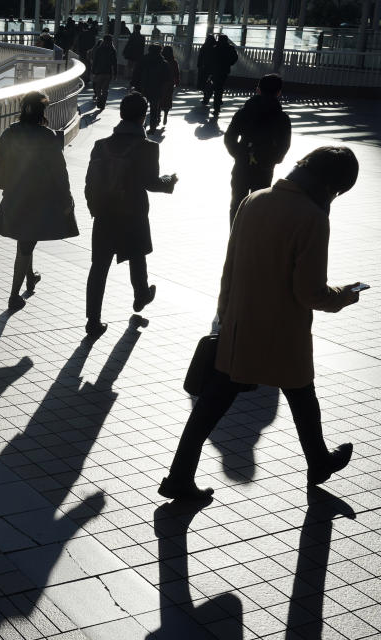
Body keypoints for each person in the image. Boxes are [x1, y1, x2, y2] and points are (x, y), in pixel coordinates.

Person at [159, 147, 361, 500]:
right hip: (282, 332)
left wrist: (224, 318)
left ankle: (179, 477)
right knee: (301, 394)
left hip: (240, 328)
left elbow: (229, 269)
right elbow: (310, 292)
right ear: (332, 185)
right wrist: (345, 294)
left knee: (210, 406)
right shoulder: (312, 217)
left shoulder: (253, 200)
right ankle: (319, 462)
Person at [83, 92, 178, 337]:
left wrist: (94, 206)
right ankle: (141, 295)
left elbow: (89, 181)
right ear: (143, 116)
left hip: (104, 213)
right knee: (137, 254)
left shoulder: (101, 145)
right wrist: (169, 181)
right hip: (133, 213)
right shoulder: (148, 147)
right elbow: (151, 183)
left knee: (99, 268)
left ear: (122, 114)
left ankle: (93, 321)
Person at [0, 91, 79, 311]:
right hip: (40, 198)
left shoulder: (11, 132)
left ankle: (30, 277)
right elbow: (60, 173)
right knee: (26, 245)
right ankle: (13, 296)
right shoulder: (48, 137)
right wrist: (67, 199)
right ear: (42, 112)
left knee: (25, 241)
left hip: (15, 194)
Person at [223, 74, 292, 224]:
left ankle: (235, 240)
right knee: (259, 205)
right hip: (265, 167)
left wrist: (239, 154)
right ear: (279, 92)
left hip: (241, 165)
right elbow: (284, 145)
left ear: (258, 90)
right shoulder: (282, 118)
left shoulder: (243, 112)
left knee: (237, 204)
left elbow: (229, 137)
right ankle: (254, 241)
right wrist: (273, 159)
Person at [131, 43, 172, 133]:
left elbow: (136, 72)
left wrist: (133, 84)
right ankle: (152, 128)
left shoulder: (143, 60)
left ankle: (141, 126)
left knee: (142, 109)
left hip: (143, 88)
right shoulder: (163, 63)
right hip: (157, 90)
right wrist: (164, 91)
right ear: (160, 51)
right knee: (154, 110)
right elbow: (167, 79)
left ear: (149, 50)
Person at [205, 33, 238, 116]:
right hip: (224, 71)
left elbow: (209, 59)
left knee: (214, 87)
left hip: (215, 71)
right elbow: (235, 58)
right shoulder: (230, 48)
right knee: (219, 88)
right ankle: (217, 105)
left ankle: (211, 101)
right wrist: (229, 63)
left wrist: (209, 70)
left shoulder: (215, 48)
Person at [92, 34, 118, 109]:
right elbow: (114, 63)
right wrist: (115, 73)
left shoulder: (99, 49)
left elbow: (95, 61)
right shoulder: (112, 50)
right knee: (105, 89)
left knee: (97, 87)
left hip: (99, 71)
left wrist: (93, 70)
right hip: (108, 72)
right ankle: (103, 102)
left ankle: (99, 99)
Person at [161, 45, 181, 126]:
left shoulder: (161, 61)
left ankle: (157, 115)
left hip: (161, 82)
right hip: (170, 83)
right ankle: (165, 114)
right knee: (168, 99)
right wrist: (177, 82)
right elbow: (177, 73)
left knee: (160, 98)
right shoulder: (174, 62)